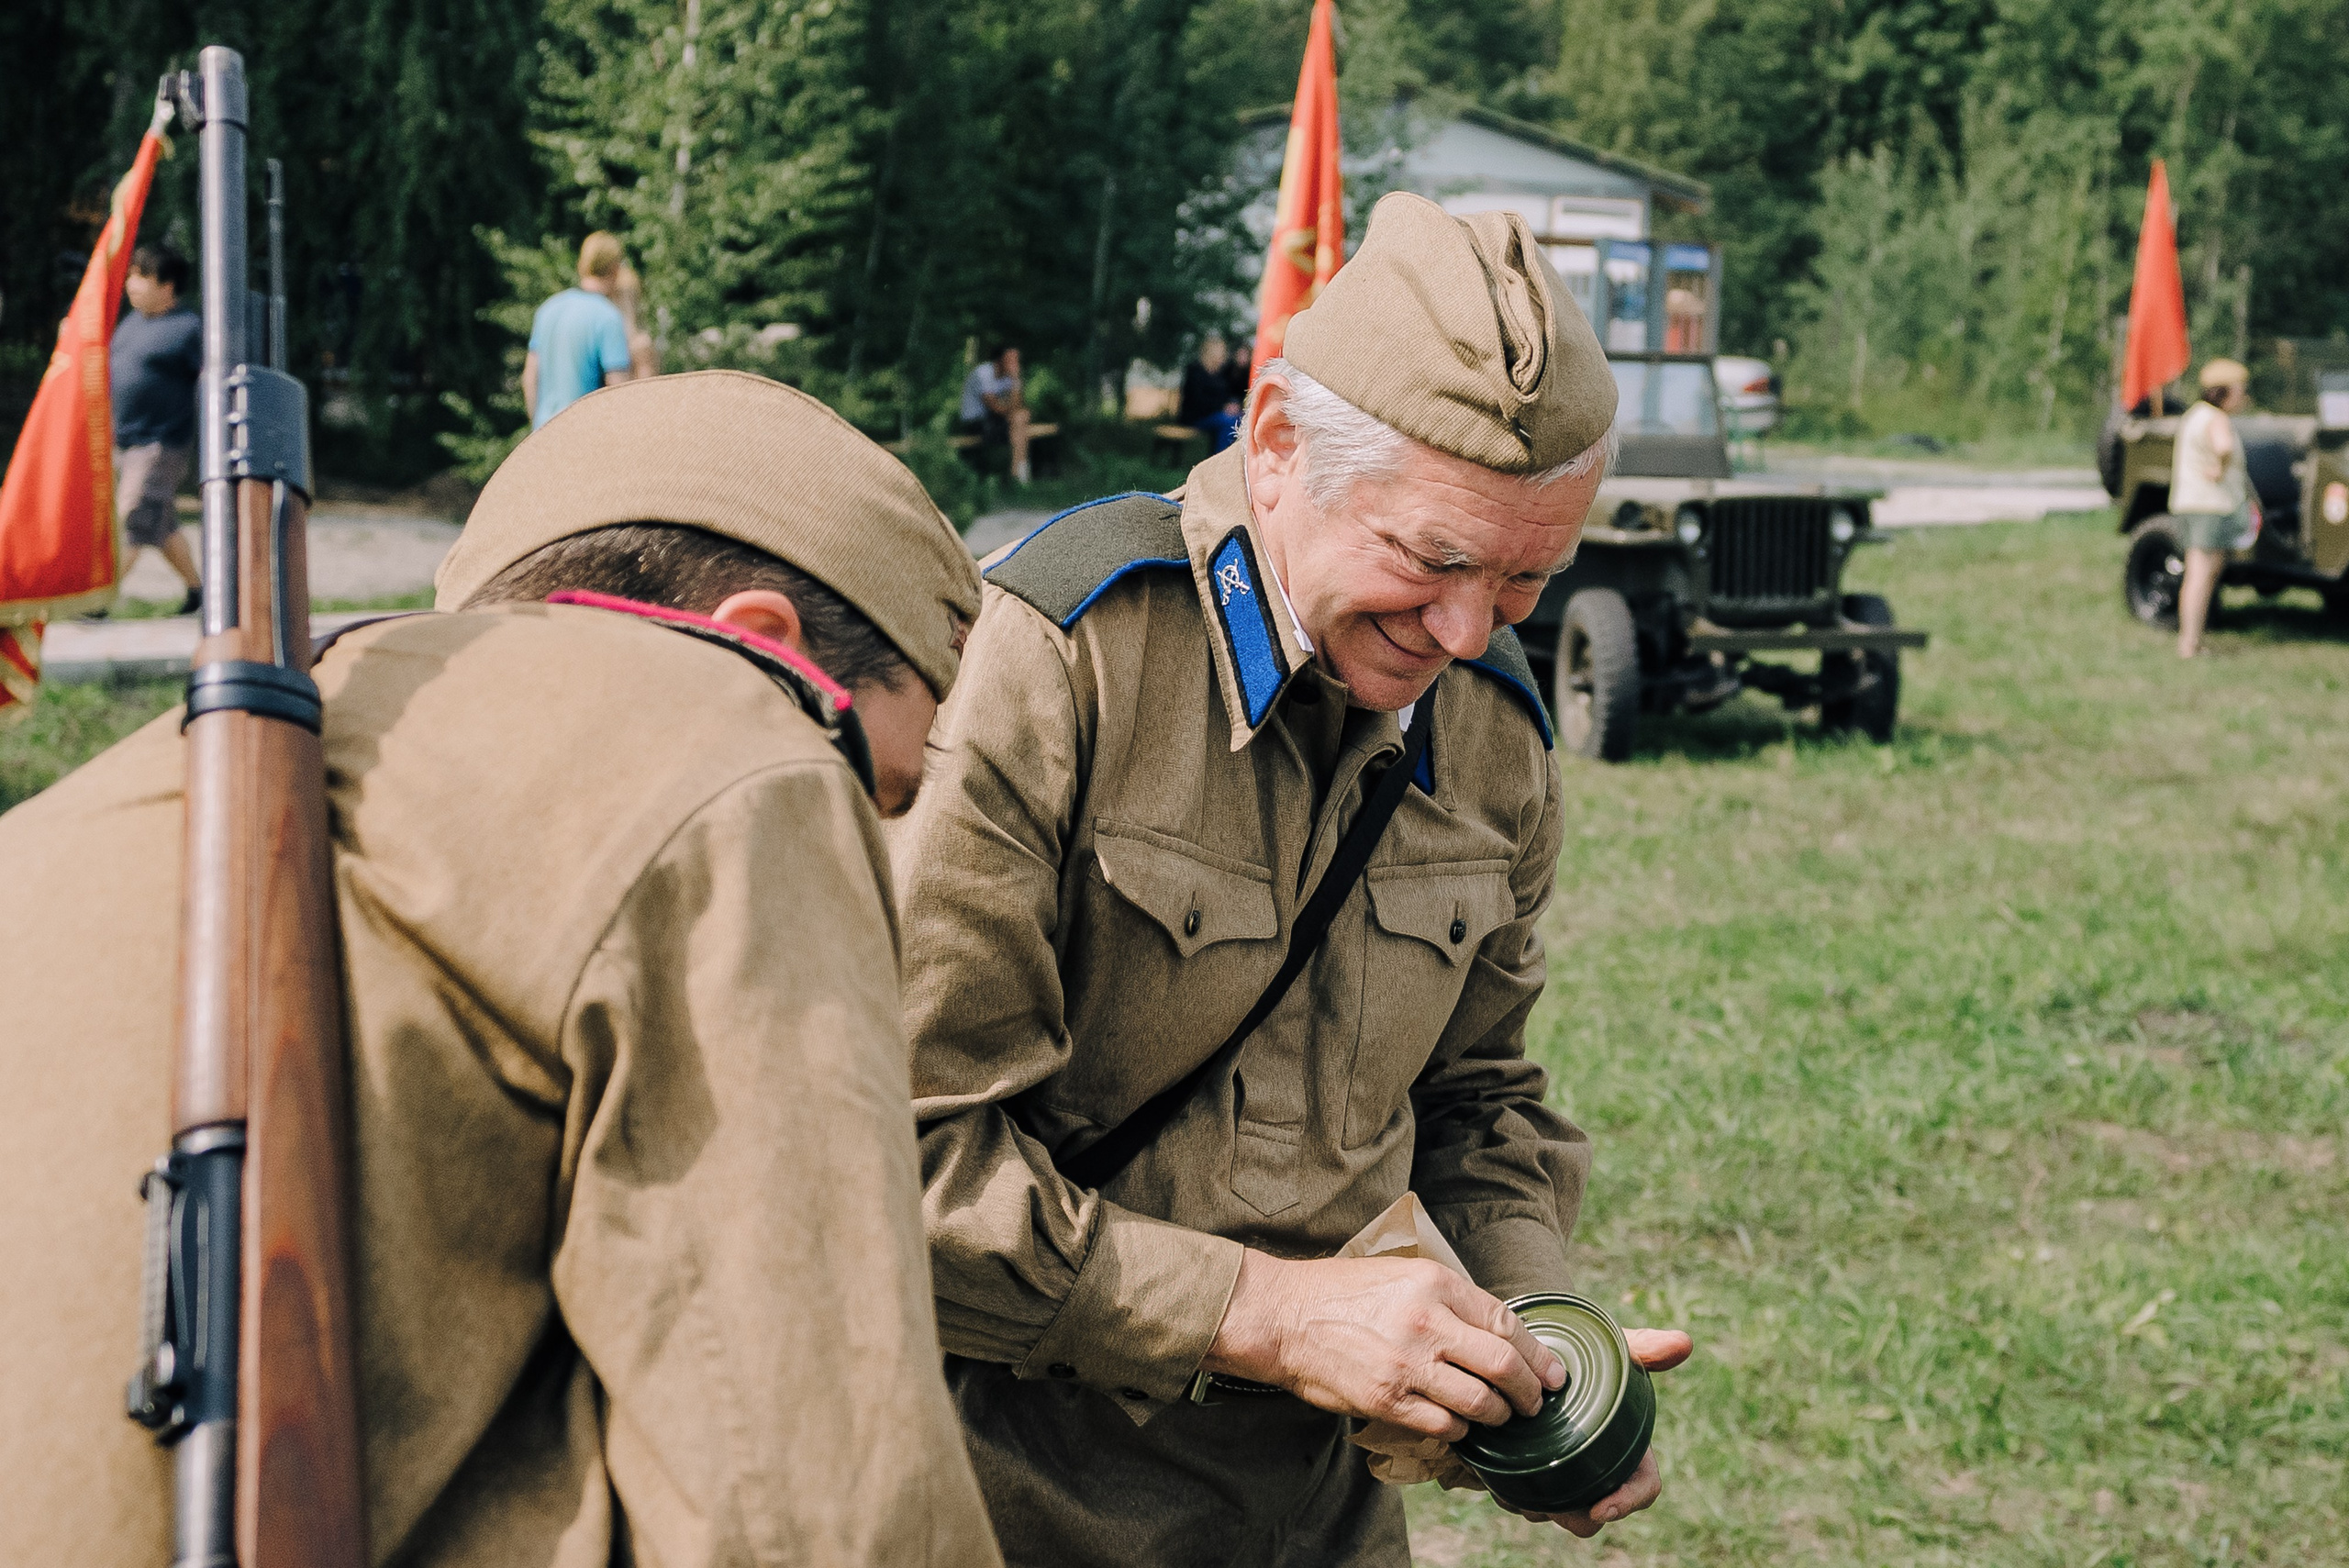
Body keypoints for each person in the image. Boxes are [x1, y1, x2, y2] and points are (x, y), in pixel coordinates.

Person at [0, 371, 1002, 1568]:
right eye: (884, 788)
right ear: (761, 649)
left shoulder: (85, 812)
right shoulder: (731, 744)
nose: (884, 839)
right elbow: (829, 1523)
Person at [898, 191, 1691, 1566]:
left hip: (1317, 1518)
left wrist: (1525, 1346)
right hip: (997, 1494)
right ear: (1275, 444)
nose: (1462, 630)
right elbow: (897, 1167)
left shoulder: (1493, 728)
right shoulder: (1056, 662)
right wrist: (1276, 1317)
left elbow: (1478, 1097)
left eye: (1523, 582)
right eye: (1432, 557)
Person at [109, 241, 203, 613]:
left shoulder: (188, 329)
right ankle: (199, 593)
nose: (132, 284)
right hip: (126, 442)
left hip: (161, 444)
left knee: (131, 516)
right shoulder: (132, 323)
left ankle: (100, 600)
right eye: (132, 275)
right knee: (160, 526)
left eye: (142, 276)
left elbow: (212, 380)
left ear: (167, 286)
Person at [2173, 357, 2255, 658]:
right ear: (2226, 392)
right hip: (2211, 506)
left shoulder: (2194, 415)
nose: (2243, 396)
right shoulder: (2217, 419)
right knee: (2201, 575)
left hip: (2189, 503)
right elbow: (2224, 447)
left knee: (2197, 574)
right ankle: (2190, 643)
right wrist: (2219, 468)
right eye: (2239, 390)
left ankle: (2190, 641)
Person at [523, 230, 635, 428]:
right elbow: (619, 390)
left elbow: (530, 378)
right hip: (584, 438)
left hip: (544, 434)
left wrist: (536, 428)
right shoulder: (608, 318)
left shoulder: (548, 309)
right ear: (615, 268)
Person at [959, 340, 1032, 483]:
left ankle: (1016, 472)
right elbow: (995, 408)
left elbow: (1016, 407)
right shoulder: (983, 373)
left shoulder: (1009, 376)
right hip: (975, 422)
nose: (1015, 364)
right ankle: (1018, 473)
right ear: (1000, 359)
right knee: (1020, 421)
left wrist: (1016, 380)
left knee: (1021, 417)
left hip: (994, 421)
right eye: (1011, 359)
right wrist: (1011, 409)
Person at [1178, 333, 1243, 454]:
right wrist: (1222, 407)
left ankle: (1237, 457)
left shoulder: (1221, 374)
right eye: (1221, 352)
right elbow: (1197, 401)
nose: (1223, 356)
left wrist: (1231, 405)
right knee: (1228, 422)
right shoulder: (1195, 371)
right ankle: (1220, 457)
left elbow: (1231, 393)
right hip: (1196, 416)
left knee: (1242, 419)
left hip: (1216, 415)